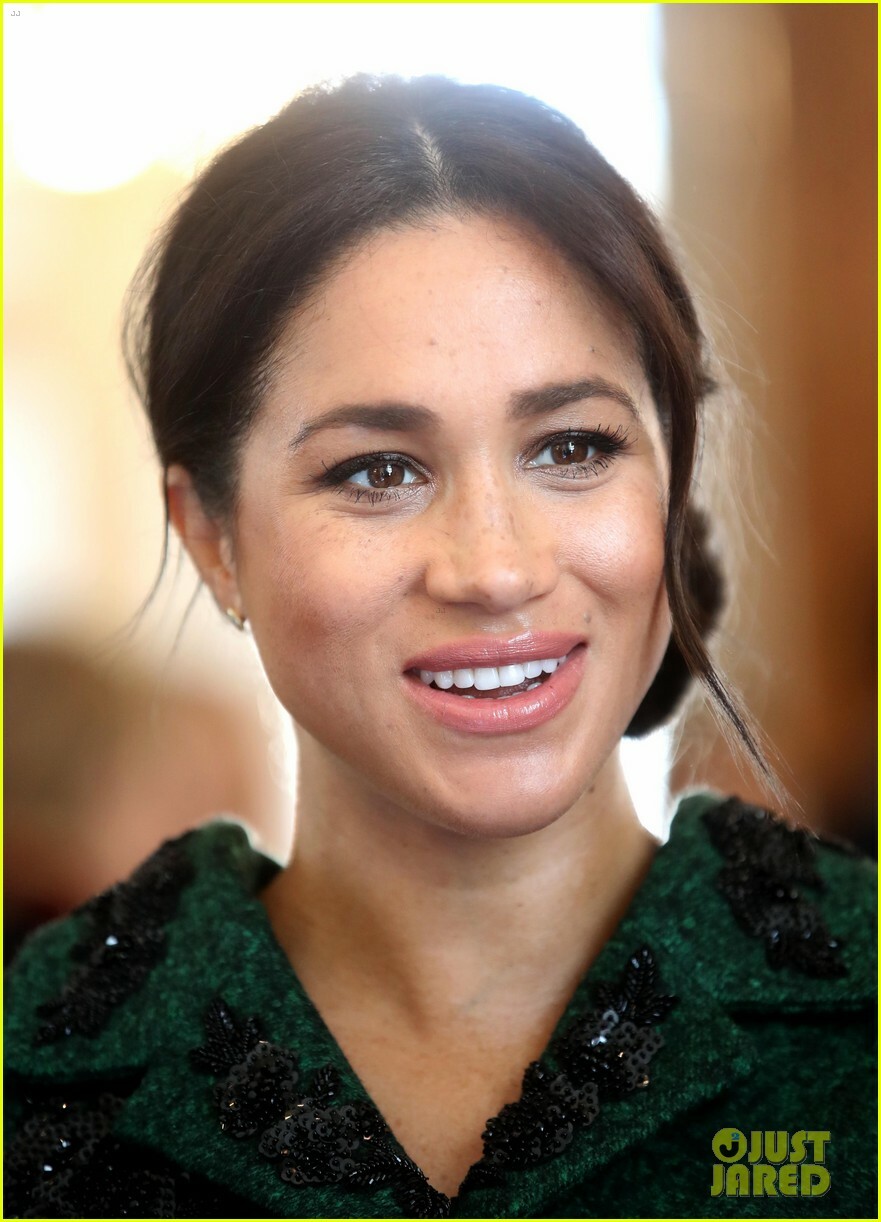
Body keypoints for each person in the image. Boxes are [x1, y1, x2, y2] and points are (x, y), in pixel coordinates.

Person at [5, 76, 875, 1219]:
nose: (496, 568)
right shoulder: (33, 1071)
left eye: (571, 446)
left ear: (671, 480)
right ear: (210, 535)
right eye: (377, 470)